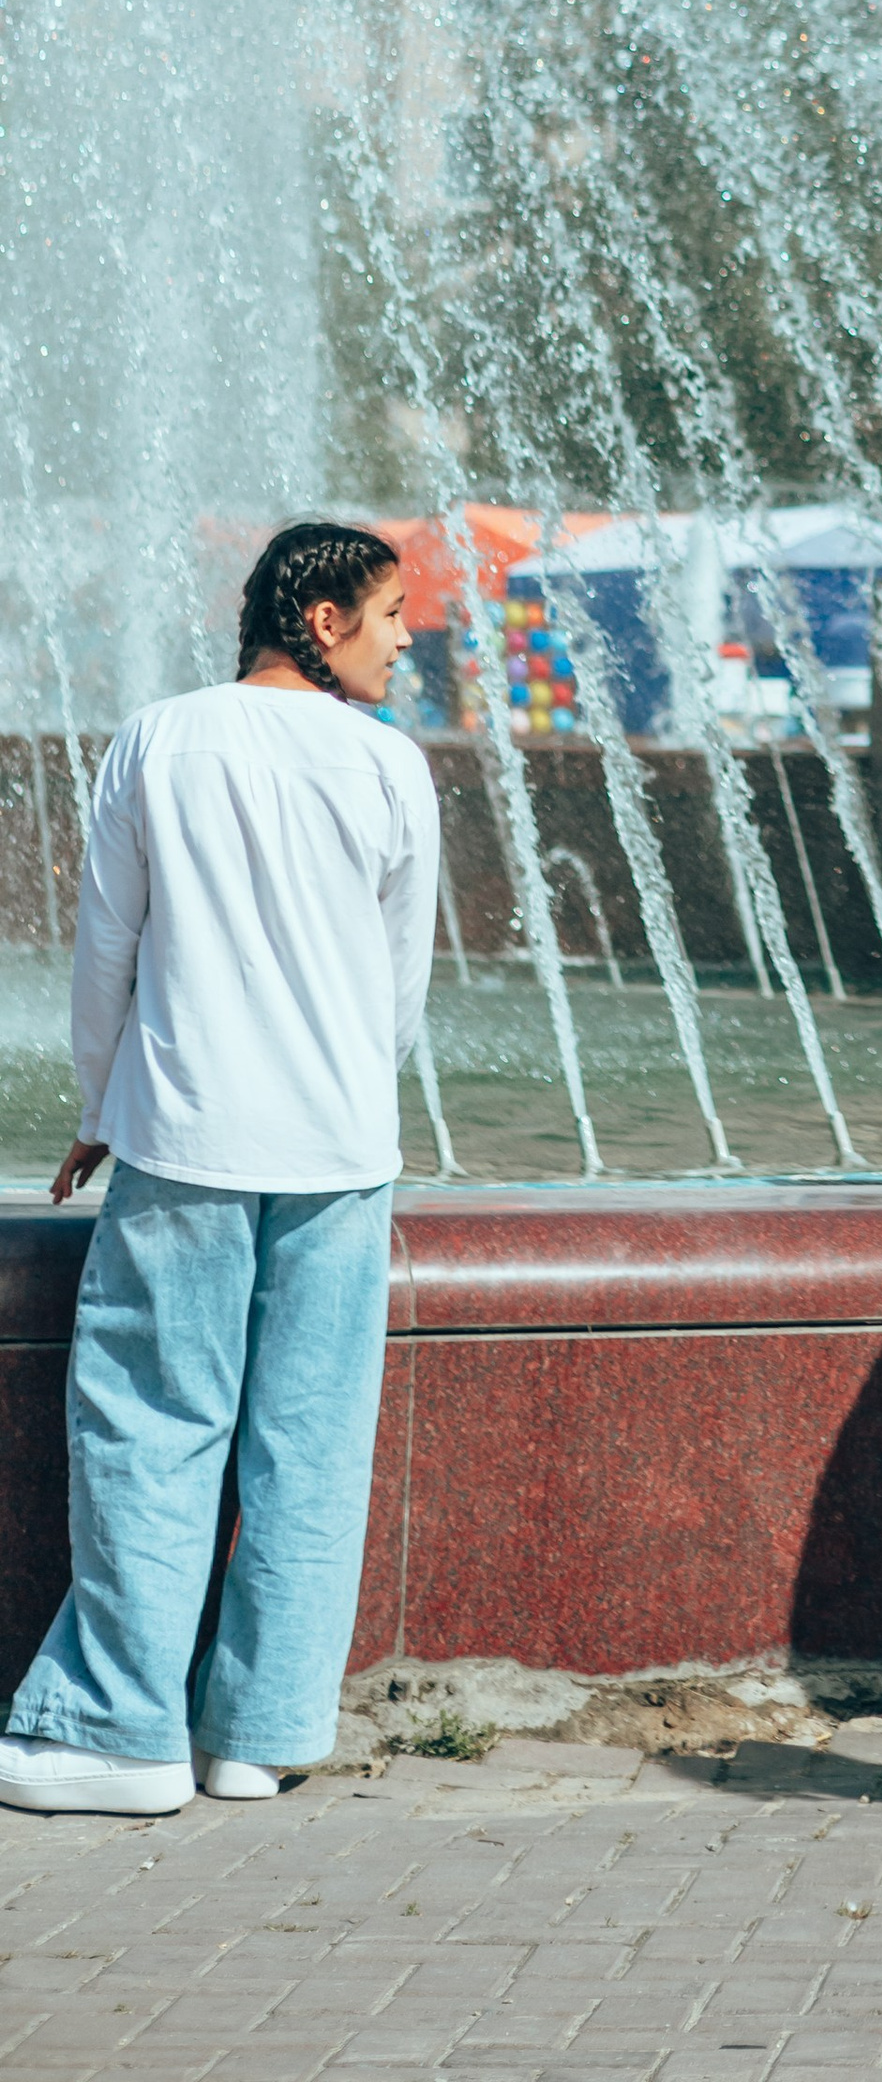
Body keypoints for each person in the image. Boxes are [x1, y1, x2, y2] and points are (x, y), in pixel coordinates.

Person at [0, 523, 441, 1819]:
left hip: (187, 1138)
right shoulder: (389, 770)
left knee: (151, 1424)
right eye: (391, 611)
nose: (408, 635)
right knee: (309, 1441)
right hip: (342, 1152)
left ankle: (119, 1727)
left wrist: (98, 1101)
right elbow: (399, 1000)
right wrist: (347, 1083)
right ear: (321, 619)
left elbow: (105, 960)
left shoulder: (160, 739)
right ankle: (262, 1733)